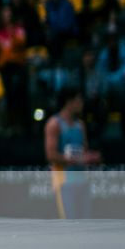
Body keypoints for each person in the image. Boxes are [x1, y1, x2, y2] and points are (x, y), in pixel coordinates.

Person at [45, 89, 98, 220]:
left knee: (86, 223)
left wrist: (91, 157)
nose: (82, 104)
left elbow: (84, 151)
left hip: (82, 182)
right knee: (69, 225)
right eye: (79, 100)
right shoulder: (54, 124)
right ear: (69, 102)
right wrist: (77, 159)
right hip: (64, 183)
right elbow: (51, 155)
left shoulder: (80, 125)